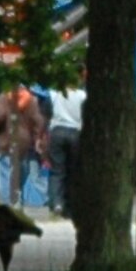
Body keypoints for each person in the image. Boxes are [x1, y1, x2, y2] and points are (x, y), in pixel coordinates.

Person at [46, 76, 84, 218]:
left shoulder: (54, 93)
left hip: (57, 132)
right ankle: (71, 204)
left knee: (57, 170)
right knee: (73, 171)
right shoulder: (82, 96)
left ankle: (56, 202)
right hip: (75, 132)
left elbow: (47, 113)